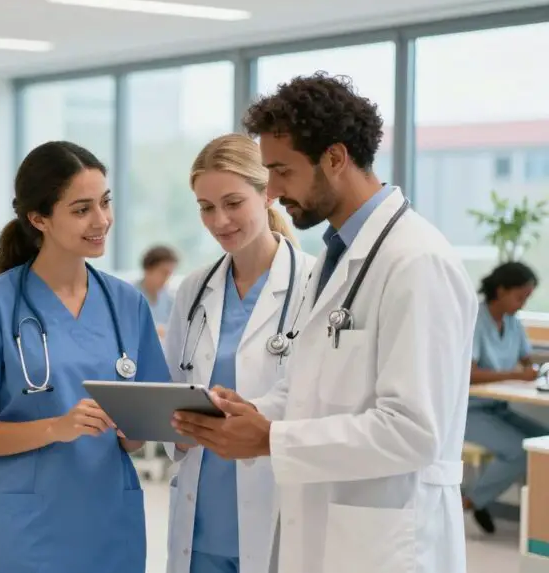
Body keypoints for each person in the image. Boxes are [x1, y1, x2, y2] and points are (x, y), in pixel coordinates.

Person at [171, 73, 477, 573]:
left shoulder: (416, 261)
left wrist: (270, 438)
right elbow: (307, 390)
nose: (271, 189)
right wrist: (249, 411)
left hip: (390, 541)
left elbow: (415, 431)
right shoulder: (339, 256)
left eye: (282, 171)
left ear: (335, 158)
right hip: (328, 530)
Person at [0, 140, 171, 573]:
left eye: (105, 202)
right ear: (39, 218)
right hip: (26, 530)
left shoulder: (127, 304)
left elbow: (138, 435)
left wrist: (139, 428)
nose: (101, 221)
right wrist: (56, 428)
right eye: (82, 209)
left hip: (109, 523)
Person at [163, 134, 315, 573]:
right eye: (206, 207)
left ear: (267, 193)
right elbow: (175, 387)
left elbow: (318, 400)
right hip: (201, 517)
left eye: (233, 202)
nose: (220, 220)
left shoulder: (316, 283)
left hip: (277, 508)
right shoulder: (193, 290)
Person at [462, 261, 545, 534]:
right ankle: (469, 501)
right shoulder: (475, 318)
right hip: (470, 412)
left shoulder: (513, 323)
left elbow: (526, 362)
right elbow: (470, 374)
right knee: (519, 451)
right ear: (501, 290)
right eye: (520, 296)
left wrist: (532, 370)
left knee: (543, 440)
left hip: (497, 408)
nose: (522, 303)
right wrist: (517, 375)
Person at [136, 245, 178, 325]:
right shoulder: (129, 295)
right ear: (148, 269)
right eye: (163, 273)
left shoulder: (170, 300)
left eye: (170, 274)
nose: (167, 278)